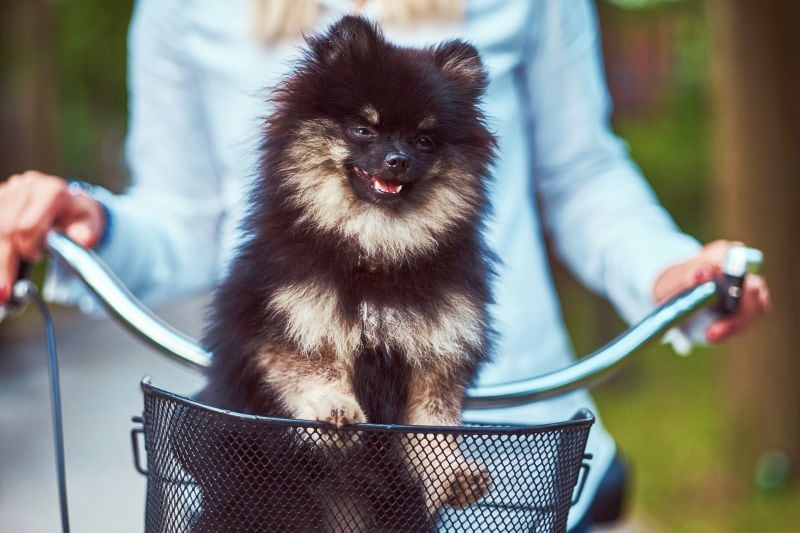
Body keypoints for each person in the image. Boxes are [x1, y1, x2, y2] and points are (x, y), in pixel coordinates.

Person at [0, 1, 770, 530]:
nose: (394, 157)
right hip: (280, 468)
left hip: (513, 437)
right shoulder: (182, 10)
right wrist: (87, 223)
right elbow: (186, 214)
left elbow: (583, 175)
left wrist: (667, 271)